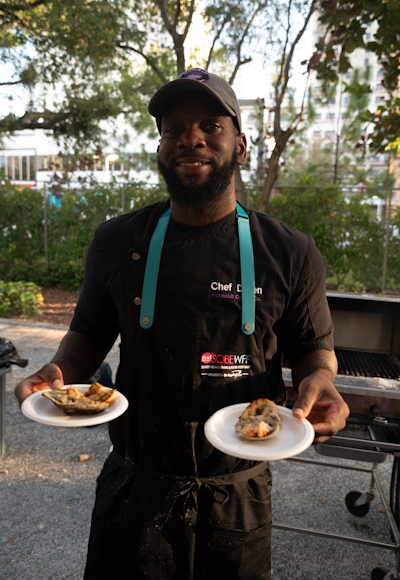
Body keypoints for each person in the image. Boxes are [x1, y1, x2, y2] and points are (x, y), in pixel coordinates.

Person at [15, 67, 349, 580]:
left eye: (211, 126)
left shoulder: (290, 251)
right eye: (173, 128)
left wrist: (320, 383)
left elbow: (313, 349)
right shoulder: (115, 241)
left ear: (241, 145)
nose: (189, 138)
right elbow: (86, 334)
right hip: (135, 487)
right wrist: (58, 372)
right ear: (161, 146)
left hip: (238, 493)